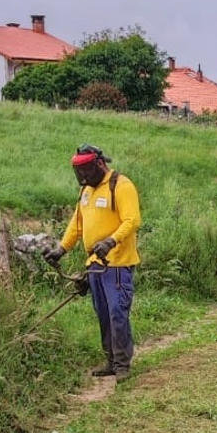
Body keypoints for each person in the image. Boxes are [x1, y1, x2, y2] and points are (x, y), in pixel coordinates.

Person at [43, 144, 141, 382]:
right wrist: (61, 249)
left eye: (87, 170)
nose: (84, 177)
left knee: (117, 312)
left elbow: (132, 220)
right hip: (95, 265)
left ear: (99, 164)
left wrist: (111, 241)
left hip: (117, 263)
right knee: (104, 314)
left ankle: (122, 365)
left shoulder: (121, 185)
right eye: (79, 172)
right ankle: (110, 360)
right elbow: (77, 224)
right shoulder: (86, 192)